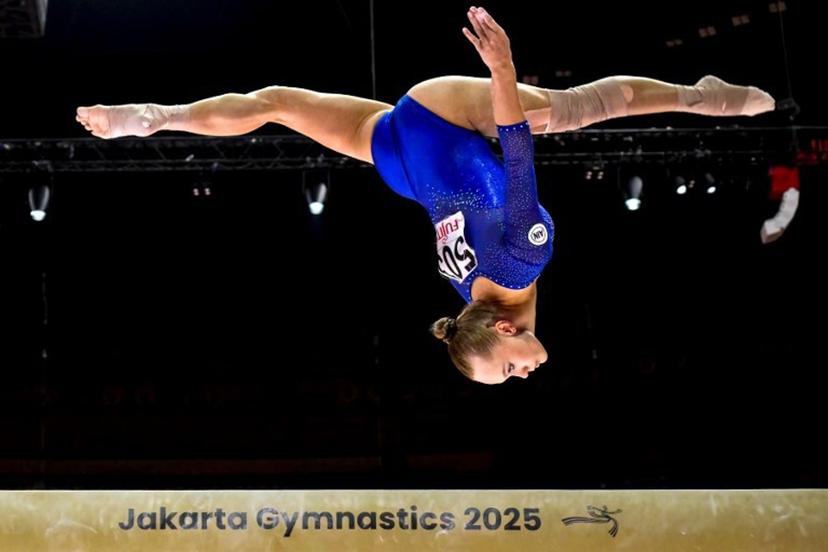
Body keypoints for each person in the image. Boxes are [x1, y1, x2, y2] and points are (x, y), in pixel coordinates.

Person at [75, 6, 775, 384]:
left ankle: (699, 97)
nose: (525, 375)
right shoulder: (466, 292)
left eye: (510, 375)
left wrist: (503, 68)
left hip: (440, 119)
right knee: (276, 102)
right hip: (401, 166)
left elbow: (518, 151)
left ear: (505, 332)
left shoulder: (521, 261)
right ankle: (154, 117)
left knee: (572, 108)